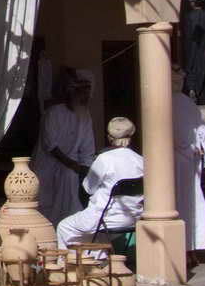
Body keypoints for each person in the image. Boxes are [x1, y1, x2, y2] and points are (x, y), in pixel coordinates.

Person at [55, 117, 144, 249]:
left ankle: (68, 266)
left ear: (109, 137)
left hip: (105, 218)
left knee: (64, 226)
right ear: (131, 136)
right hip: (133, 218)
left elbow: (88, 188)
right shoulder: (140, 160)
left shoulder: (105, 159)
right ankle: (98, 261)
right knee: (93, 233)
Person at [35, 69, 97, 226]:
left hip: (71, 171)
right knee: (44, 208)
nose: (86, 97)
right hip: (48, 166)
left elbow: (87, 147)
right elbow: (51, 145)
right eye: (83, 92)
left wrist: (86, 168)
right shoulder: (54, 112)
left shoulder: (85, 115)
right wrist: (72, 165)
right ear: (73, 92)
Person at [173, 68, 205, 262]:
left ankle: (185, 249)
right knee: (190, 204)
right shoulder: (188, 103)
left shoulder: (167, 102)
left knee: (180, 204)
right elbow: (202, 132)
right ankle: (190, 248)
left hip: (176, 160)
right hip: (188, 160)